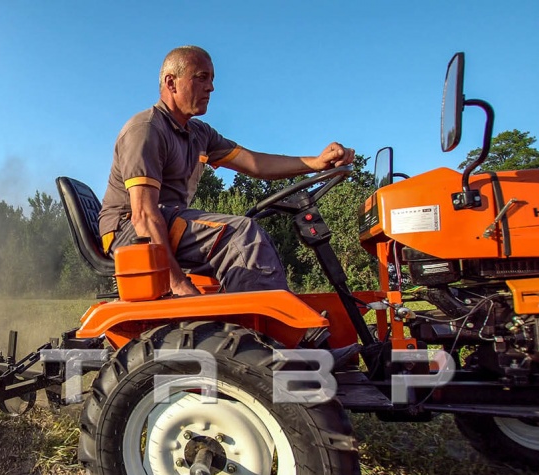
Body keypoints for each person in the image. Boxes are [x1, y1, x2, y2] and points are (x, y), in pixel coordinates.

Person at [99, 45, 355, 298]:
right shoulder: (146, 130)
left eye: (211, 79)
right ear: (171, 83)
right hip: (129, 232)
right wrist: (178, 284)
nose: (210, 87)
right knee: (241, 234)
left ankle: (248, 311)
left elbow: (255, 163)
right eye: (201, 78)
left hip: (167, 223)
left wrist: (316, 163)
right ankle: (264, 321)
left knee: (252, 235)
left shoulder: (199, 133)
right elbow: (143, 215)